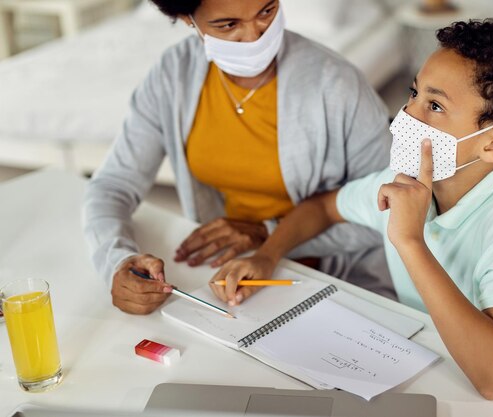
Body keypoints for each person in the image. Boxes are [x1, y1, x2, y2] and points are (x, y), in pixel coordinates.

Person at [209, 19, 493, 400]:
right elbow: (322, 208)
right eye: (413, 93)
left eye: (434, 105)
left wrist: (410, 241)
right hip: (438, 366)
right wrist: (268, 255)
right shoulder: (402, 183)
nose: (406, 116)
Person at [82, 0, 395, 315]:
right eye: (228, 25)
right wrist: (117, 261)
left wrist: (265, 234)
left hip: (335, 278)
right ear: (187, 18)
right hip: (226, 280)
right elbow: (112, 184)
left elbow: (388, 212)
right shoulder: (173, 76)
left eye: (266, 11)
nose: (255, 36)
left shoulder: (337, 85)